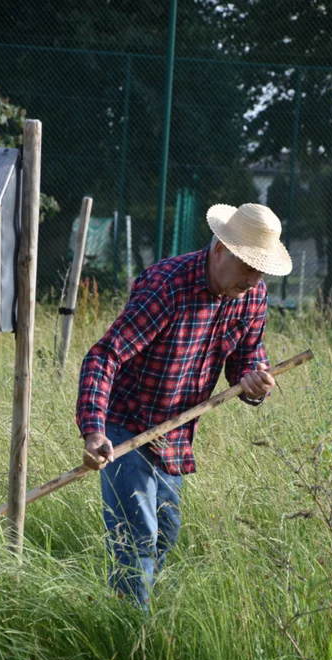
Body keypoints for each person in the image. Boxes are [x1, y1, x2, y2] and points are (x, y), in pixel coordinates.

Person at [76, 202, 292, 609]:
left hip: (176, 436)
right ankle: (129, 642)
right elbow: (105, 356)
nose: (255, 278)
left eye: (261, 269)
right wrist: (94, 430)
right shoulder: (168, 286)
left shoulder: (251, 297)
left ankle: (139, 625)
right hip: (127, 427)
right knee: (136, 538)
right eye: (248, 265)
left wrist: (256, 383)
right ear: (220, 250)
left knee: (163, 539)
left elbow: (246, 361)